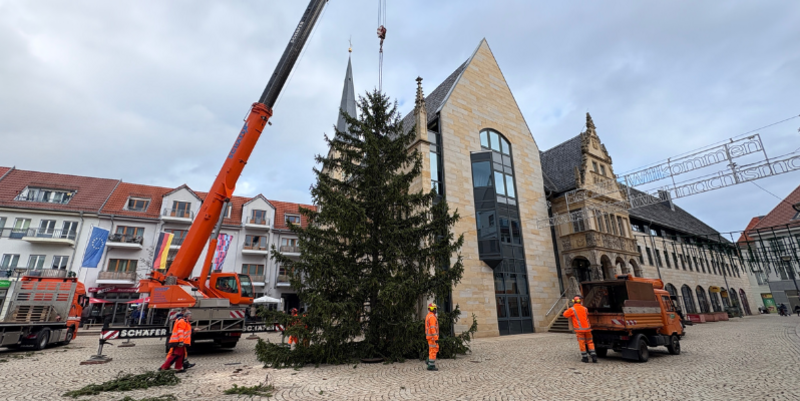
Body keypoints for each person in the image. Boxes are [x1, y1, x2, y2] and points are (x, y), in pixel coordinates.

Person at [563, 296, 597, 363]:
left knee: (582, 343)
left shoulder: (572, 309)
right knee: (590, 342)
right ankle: (594, 356)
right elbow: (587, 314)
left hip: (579, 330)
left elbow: (565, 315)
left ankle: (585, 357)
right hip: (588, 329)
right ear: (580, 301)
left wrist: (567, 310)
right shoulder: (585, 308)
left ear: (573, 301)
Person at [425, 303, 439, 371]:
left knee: (432, 350)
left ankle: (428, 361)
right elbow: (433, 328)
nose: (436, 310)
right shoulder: (432, 317)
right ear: (433, 309)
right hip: (432, 337)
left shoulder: (429, 316)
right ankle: (431, 366)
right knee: (433, 350)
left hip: (430, 337)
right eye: (435, 309)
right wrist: (436, 338)